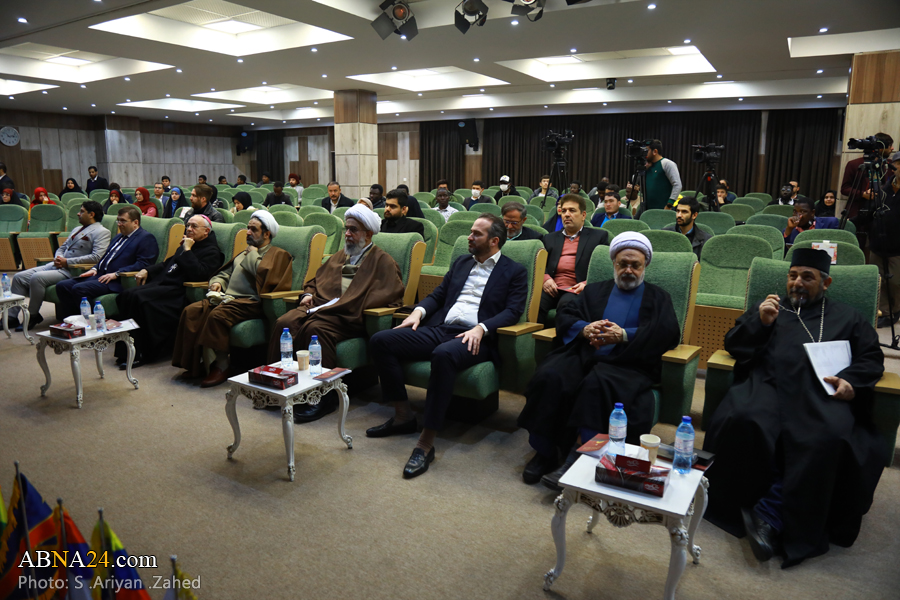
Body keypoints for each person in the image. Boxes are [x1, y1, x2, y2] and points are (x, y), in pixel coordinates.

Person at [703, 249, 885, 568]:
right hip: (767, 385)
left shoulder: (849, 317)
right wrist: (760, 322)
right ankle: (752, 510)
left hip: (820, 394)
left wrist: (851, 381)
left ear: (826, 282)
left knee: (830, 437)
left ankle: (769, 514)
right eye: (792, 276)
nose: (797, 283)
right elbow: (733, 343)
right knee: (744, 418)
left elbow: (871, 357)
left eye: (807, 277)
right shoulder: (770, 308)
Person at [366, 214, 528, 478]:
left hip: (476, 337)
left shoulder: (514, 271)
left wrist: (481, 328)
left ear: (494, 241)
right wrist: (418, 312)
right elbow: (438, 295)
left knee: (443, 355)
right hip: (441, 328)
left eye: (476, 234)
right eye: (471, 232)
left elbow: (513, 311)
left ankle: (425, 443)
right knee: (381, 340)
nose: (469, 237)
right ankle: (403, 415)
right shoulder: (462, 262)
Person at [519, 232, 680, 487]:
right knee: (550, 376)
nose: (628, 270)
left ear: (645, 266)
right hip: (584, 354)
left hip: (628, 361)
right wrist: (584, 329)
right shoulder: (594, 290)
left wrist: (624, 335)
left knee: (595, 384)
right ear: (614, 263)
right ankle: (545, 451)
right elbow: (566, 315)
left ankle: (579, 457)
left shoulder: (659, 297)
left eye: (635, 265)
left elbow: (667, 333)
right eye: (623, 264)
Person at [268, 205, 406, 422]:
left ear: (368, 234)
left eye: (353, 230)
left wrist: (348, 303)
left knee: (315, 330)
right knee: (284, 322)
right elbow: (316, 280)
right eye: (346, 229)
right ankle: (280, 385)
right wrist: (308, 294)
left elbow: (392, 293)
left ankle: (322, 397)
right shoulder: (340, 255)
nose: (348, 234)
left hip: (349, 315)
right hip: (321, 307)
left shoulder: (383, 261)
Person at [172, 211, 293, 387]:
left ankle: (222, 365)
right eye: (248, 228)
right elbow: (225, 273)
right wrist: (218, 283)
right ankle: (198, 365)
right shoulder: (245, 252)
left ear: (267, 234)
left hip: (252, 302)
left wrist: (253, 254)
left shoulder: (278, 254)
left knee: (218, 315)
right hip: (228, 299)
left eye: (254, 229)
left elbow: (266, 278)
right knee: (192, 311)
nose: (248, 232)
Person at [114, 215, 223, 368]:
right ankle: (125, 351)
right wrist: (147, 270)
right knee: (126, 295)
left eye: (194, 226)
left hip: (178, 291)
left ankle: (142, 353)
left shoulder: (212, 251)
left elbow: (199, 274)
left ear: (206, 231)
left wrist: (187, 250)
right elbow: (167, 264)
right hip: (164, 285)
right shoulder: (188, 243)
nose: (189, 229)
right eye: (188, 225)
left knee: (138, 299)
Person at [7, 201, 110, 331]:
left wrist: (67, 262)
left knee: (37, 278)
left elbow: (97, 257)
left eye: (82, 211)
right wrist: (58, 258)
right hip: (57, 265)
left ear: (91, 214)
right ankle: (11, 317)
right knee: (18, 277)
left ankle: (32, 315)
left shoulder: (102, 232)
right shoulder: (77, 229)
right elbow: (62, 247)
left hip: (73, 270)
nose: (78, 214)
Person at [55, 205, 159, 317]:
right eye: (118, 220)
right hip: (100, 275)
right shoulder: (119, 237)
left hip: (118, 281)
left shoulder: (146, 238)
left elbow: (144, 264)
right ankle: (74, 319)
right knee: (62, 286)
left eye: (123, 221)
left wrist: (117, 273)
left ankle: (93, 322)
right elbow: (106, 257)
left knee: (79, 289)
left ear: (135, 223)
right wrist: (95, 268)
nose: (119, 224)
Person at [539, 194, 609, 324]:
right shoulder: (549, 238)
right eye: (564, 211)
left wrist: (587, 283)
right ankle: (533, 337)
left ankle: (561, 337)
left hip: (576, 289)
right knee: (533, 303)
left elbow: (604, 267)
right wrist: (545, 278)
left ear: (583, 215)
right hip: (552, 287)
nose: (566, 214)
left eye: (572, 210)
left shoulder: (599, 236)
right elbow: (539, 264)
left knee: (566, 305)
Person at [866, 173, 900, 327]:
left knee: (894, 282)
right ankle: (884, 312)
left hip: (897, 248)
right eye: (898, 164)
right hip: (877, 244)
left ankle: (895, 310)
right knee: (879, 280)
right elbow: (871, 213)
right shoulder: (883, 190)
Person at [840, 132, 893, 220]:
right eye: (890, 145)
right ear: (880, 147)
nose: (892, 148)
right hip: (859, 211)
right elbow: (844, 189)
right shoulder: (854, 164)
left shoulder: (890, 165)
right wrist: (863, 194)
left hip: (882, 212)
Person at [644, 140, 683, 211]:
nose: (644, 153)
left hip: (664, 208)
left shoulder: (667, 164)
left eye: (647, 150)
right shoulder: (647, 166)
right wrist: (643, 169)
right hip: (647, 209)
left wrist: (669, 204)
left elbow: (677, 185)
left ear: (655, 151)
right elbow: (635, 182)